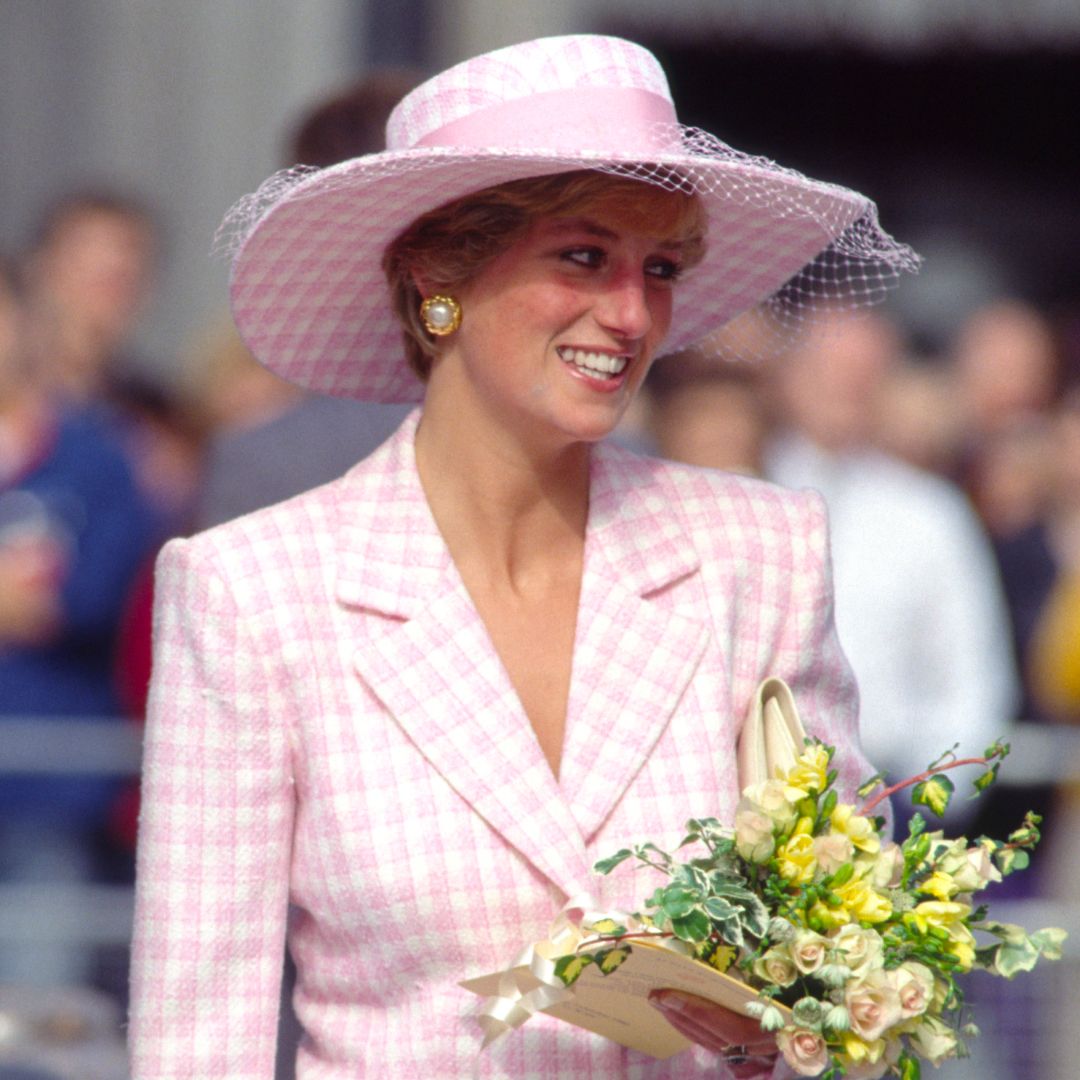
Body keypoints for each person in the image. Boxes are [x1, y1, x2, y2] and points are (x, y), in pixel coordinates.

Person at [128, 34, 918, 1079]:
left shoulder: (757, 554)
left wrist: (795, 1028)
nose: (631, 314)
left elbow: (856, 953)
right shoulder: (252, 591)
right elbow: (199, 1040)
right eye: (583, 256)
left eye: (661, 268)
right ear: (435, 275)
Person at [763, 307, 1019, 825]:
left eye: (863, 375)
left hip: (887, 802)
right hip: (745, 798)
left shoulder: (931, 513)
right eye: (828, 371)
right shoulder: (739, 491)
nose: (845, 390)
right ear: (787, 375)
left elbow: (973, 684)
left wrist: (925, 805)